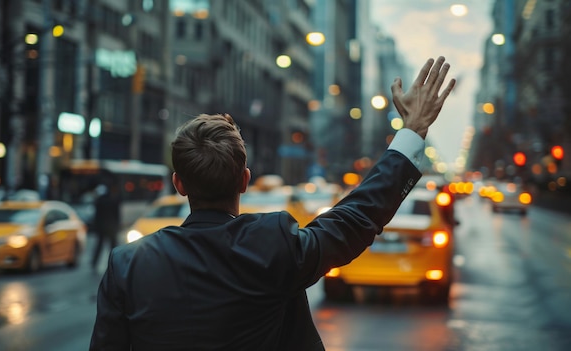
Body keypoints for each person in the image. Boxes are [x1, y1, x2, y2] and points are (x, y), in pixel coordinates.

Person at [90, 56, 456, 350]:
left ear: (179, 184)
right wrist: (412, 131)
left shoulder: (128, 265)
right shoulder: (272, 246)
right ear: (245, 180)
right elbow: (356, 217)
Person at [90, 181, 121, 271]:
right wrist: (117, 225)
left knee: (99, 246)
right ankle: (116, 263)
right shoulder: (113, 200)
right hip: (111, 227)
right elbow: (117, 215)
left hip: (102, 228)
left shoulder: (99, 201)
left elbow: (96, 217)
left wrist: (96, 227)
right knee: (113, 247)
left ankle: (94, 263)